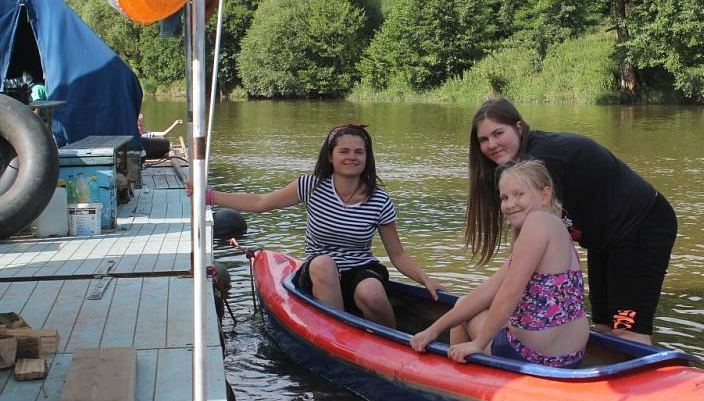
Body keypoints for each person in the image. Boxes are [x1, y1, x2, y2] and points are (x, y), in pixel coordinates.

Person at [464, 96, 677, 345]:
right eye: (483, 140)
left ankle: (640, 377)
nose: (492, 144)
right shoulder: (520, 174)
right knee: (605, 324)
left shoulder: (542, 164)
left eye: (498, 133)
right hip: (605, 239)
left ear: (519, 128)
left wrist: (485, 307)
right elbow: (520, 258)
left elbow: (527, 261)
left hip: (642, 226)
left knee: (627, 328)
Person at [186, 124, 441, 328]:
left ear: (367, 158)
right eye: (344, 151)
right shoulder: (311, 186)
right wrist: (209, 195)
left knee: (372, 293)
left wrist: (426, 280)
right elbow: (261, 202)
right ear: (330, 156)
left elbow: (397, 254)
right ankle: (340, 333)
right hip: (319, 272)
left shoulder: (380, 199)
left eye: (358, 152)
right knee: (323, 263)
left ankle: (392, 342)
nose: (351, 157)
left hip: (360, 269)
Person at [411, 160, 589, 367]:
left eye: (519, 194)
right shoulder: (557, 229)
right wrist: (433, 330)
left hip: (532, 355)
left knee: (463, 307)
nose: (510, 204)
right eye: (504, 197)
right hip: (572, 357)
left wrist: (479, 343)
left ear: (545, 195)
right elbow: (489, 289)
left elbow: (509, 292)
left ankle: (458, 374)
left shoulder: (537, 222)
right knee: (471, 305)